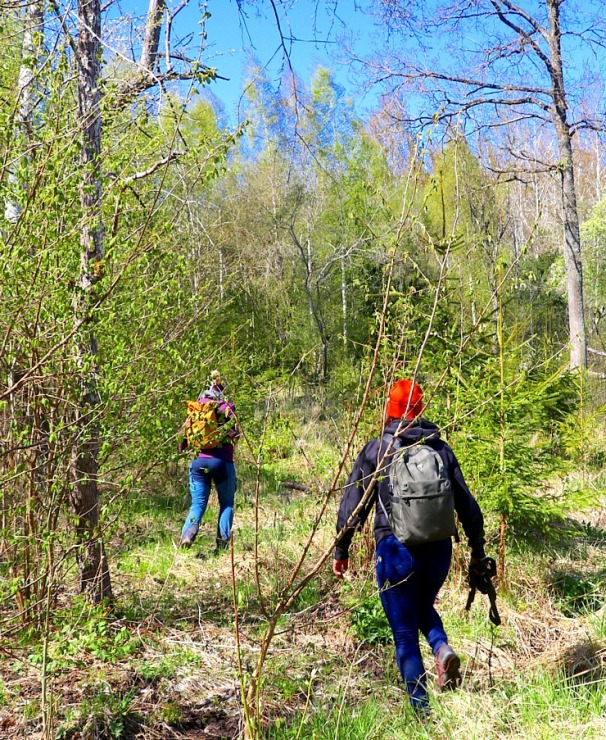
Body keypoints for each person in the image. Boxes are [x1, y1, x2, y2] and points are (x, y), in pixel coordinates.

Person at [333, 379, 488, 716]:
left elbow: (352, 505)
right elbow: (467, 504)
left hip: (394, 551)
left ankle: (422, 714)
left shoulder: (377, 450)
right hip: (438, 550)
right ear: (420, 409)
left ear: (389, 410)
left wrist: (341, 549)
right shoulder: (440, 449)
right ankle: (441, 647)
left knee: (404, 632)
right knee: (420, 606)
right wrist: (477, 550)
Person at [179, 371, 239, 551]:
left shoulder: (196, 409)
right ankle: (222, 543)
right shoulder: (226, 407)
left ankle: (187, 536)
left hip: (198, 462)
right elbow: (233, 433)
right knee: (226, 503)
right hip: (222, 462)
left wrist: (185, 448)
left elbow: (182, 440)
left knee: (197, 504)